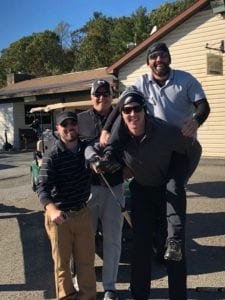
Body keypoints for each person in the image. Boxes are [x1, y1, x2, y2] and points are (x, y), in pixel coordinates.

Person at [100, 42, 210, 297]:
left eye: (163, 55)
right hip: (149, 147)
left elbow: (203, 105)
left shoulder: (185, 80)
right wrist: (106, 129)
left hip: (177, 149)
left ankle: (173, 241)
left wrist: (195, 122)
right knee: (142, 238)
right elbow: (122, 106)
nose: (158, 59)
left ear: (169, 58)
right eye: (153, 57)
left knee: (174, 191)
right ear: (148, 62)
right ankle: (140, 292)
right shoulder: (141, 85)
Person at [89, 89, 199, 300]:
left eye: (137, 109)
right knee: (141, 246)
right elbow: (108, 150)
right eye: (127, 110)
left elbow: (194, 150)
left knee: (174, 247)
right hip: (143, 188)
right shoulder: (119, 136)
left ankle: (178, 296)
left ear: (145, 110)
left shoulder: (166, 132)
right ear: (121, 114)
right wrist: (104, 162)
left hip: (169, 183)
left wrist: (182, 178)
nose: (132, 114)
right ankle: (139, 294)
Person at [38, 111, 96, 300]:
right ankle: (66, 296)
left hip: (82, 211)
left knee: (86, 261)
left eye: (73, 123)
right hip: (59, 216)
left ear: (78, 126)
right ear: (58, 129)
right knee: (61, 264)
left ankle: (87, 296)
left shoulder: (87, 149)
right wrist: (52, 209)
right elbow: (42, 188)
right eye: (65, 125)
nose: (69, 128)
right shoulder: (51, 156)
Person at [77, 79, 124, 300]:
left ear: (112, 96)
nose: (101, 97)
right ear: (91, 96)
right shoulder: (80, 120)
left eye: (106, 94)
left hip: (114, 187)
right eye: (97, 93)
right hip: (88, 189)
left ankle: (110, 287)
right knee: (84, 239)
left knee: (112, 239)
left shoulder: (122, 116)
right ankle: (83, 283)